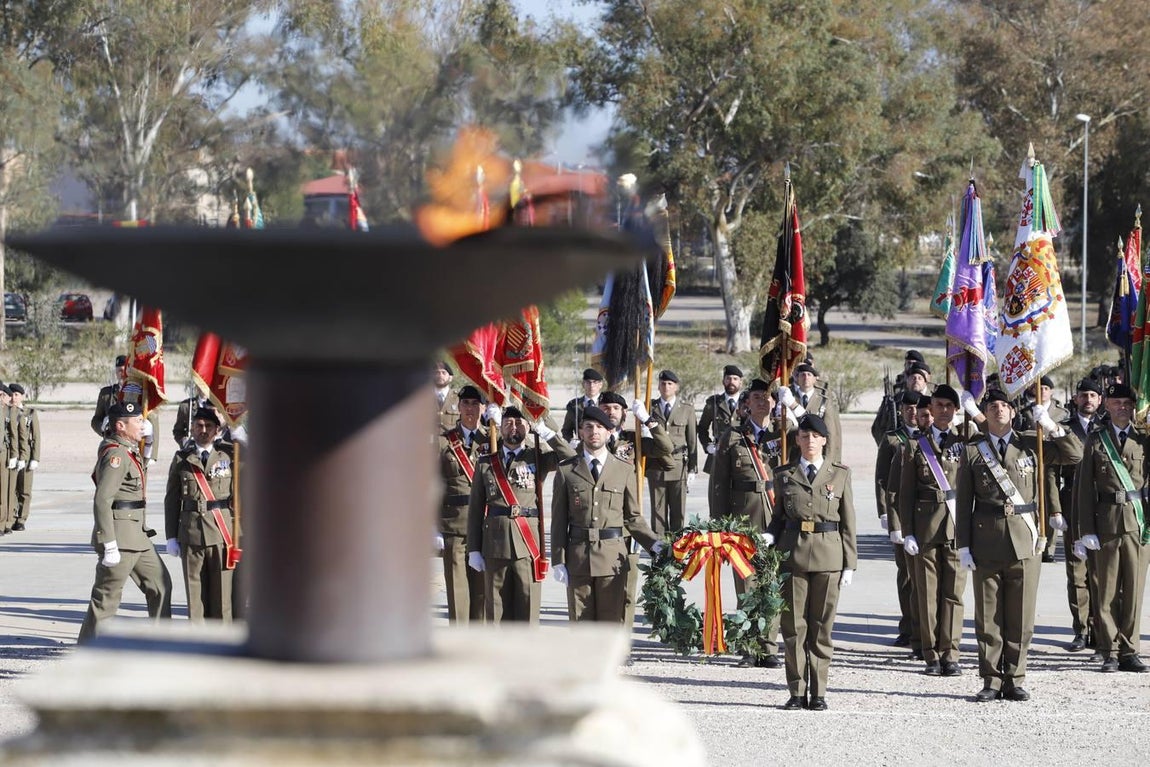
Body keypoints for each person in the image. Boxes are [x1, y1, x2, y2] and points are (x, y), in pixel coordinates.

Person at [955, 389, 1082, 701]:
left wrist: (1052, 426)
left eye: (1004, 406)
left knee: (1021, 616)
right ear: (985, 413)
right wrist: (963, 545)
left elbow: (1076, 454)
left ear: (1012, 412)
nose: (999, 410)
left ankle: (1015, 677)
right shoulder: (973, 451)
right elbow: (964, 502)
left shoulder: (1032, 442)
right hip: (985, 539)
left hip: (1025, 541)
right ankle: (991, 679)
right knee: (988, 618)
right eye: (992, 406)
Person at [765, 414, 856, 711]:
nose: (810, 441)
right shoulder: (784, 474)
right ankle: (796, 691)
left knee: (821, 628)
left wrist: (850, 563)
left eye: (815, 436)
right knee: (793, 628)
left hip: (829, 557)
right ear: (797, 441)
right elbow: (778, 518)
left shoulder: (839, 474)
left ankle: (819, 692)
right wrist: (768, 538)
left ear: (825, 440)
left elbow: (848, 522)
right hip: (793, 556)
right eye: (804, 436)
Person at [551, 405, 662, 622]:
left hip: (613, 560)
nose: (594, 431)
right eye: (589, 426)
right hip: (578, 559)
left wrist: (655, 544)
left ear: (609, 432)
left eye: (600, 427)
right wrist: (558, 559)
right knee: (581, 624)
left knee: (611, 623)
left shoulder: (624, 469)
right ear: (581, 432)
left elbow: (633, 517)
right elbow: (559, 520)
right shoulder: (566, 471)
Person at [466, 406, 575, 623]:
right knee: (496, 608)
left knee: (528, 603)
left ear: (527, 426)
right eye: (508, 423)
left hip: (527, 544)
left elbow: (570, 457)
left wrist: (545, 431)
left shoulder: (538, 456)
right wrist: (474, 549)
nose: (513, 427)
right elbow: (476, 509)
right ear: (500, 427)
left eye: (519, 423)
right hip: (494, 544)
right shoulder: (486, 463)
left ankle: (526, 655)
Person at [78, 401, 173, 641]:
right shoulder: (116, 454)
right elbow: (103, 499)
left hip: (138, 536)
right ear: (120, 425)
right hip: (120, 538)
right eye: (138, 421)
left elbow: (142, 470)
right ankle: (89, 654)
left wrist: (149, 442)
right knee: (106, 599)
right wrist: (108, 543)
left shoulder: (129, 448)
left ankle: (162, 644)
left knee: (160, 586)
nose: (143, 424)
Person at [1073, 383, 1150, 673]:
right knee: (1104, 590)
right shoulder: (1096, 440)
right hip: (1105, 522)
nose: (1122, 407)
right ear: (1107, 405)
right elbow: (1083, 490)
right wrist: (1086, 530)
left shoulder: (1144, 440)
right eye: (1117, 402)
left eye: (1127, 403)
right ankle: (1110, 650)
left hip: (1137, 522)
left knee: (1133, 589)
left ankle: (1130, 649)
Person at [711, 378, 786, 667]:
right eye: (756, 397)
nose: (763, 402)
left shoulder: (785, 432)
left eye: (768, 397)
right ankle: (749, 646)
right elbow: (719, 485)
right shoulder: (732, 438)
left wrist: (791, 404)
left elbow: (816, 435)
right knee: (747, 585)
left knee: (772, 583)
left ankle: (768, 647)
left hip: (776, 514)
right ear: (747, 404)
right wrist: (720, 527)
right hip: (743, 518)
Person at [898, 385, 967, 676]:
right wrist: (907, 532)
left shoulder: (966, 441)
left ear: (955, 410)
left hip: (956, 526)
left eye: (949, 406)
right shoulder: (916, 444)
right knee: (927, 593)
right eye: (938, 405)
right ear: (931, 409)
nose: (943, 410)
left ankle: (950, 652)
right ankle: (930, 654)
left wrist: (974, 410)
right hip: (925, 527)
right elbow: (905, 493)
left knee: (953, 593)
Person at [596, 390, 674, 628]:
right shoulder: (592, 441)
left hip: (628, 526)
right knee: (597, 593)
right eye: (606, 407)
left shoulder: (633, 441)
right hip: (600, 525)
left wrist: (649, 421)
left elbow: (666, 450)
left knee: (627, 593)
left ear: (624, 414)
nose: (610, 412)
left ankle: (622, 644)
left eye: (616, 408)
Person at [163, 407, 237, 622]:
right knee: (194, 596)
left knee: (222, 598)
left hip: (222, 533)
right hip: (191, 532)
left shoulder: (230, 454)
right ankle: (198, 644)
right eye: (198, 426)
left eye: (208, 426)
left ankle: (223, 644)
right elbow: (172, 499)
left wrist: (239, 433)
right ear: (192, 429)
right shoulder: (181, 458)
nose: (203, 430)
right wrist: (171, 536)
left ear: (217, 430)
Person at [876, 391, 923, 651]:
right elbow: (882, 479)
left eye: (916, 408)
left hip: (927, 514)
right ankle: (907, 627)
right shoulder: (892, 439)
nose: (912, 412)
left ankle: (925, 627)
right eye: (907, 408)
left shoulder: (930, 437)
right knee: (906, 575)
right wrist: (886, 514)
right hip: (901, 516)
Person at [1059, 378, 1103, 652]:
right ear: (1076, 399)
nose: (1088, 399)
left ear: (1100, 401)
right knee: (1077, 574)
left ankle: (1101, 629)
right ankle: (1081, 630)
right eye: (1083, 394)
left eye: (1093, 395)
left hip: (1102, 507)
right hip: (1072, 506)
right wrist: (1053, 508)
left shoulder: (1108, 429)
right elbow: (1051, 474)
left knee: (1102, 574)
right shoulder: (1064, 429)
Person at [436, 385, 487, 623]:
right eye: (466, 403)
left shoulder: (493, 439)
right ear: (458, 407)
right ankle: (459, 644)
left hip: (486, 528)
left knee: (483, 593)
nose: (470, 409)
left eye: (475, 404)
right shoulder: (445, 442)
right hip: (455, 526)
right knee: (458, 592)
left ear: (483, 408)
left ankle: (480, 647)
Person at [648, 369, 697, 536]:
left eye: (670, 384)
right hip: (657, 464)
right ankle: (660, 548)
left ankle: (677, 547)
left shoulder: (687, 409)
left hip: (678, 464)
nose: (666, 387)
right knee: (658, 509)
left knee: (678, 510)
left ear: (676, 387)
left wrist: (692, 467)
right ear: (658, 386)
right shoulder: (650, 407)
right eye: (663, 383)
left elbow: (691, 440)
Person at [778, 362, 842, 463]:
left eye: (809, 374)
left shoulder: (824, 401)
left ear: (815, 379)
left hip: (816, 454)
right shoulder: (787, 397)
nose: (806, 377)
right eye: (802, 375)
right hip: (794, 455)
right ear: (796, 378)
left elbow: (831, 432)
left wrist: (831, 460)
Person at [698, 365, 744, 475]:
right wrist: (708, 445)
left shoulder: (747, 402)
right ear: (723, 381)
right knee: (717, 491)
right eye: (728, 378)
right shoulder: (713, 403)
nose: (731, 382)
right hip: (718, 455)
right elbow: (702, 428)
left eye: (735, 379)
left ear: (740, 382)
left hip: (742, 455)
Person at [10, 384, 39, 532]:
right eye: (12, 394)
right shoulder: (7, 411)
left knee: (24, 489)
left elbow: (36, 437)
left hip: (26, 455)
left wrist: (36, 458)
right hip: (12, 455)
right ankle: (12, 517)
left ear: (22, 396)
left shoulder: (29, 413)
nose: (14, 397)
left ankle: (21, 518)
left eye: (16, 394)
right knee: (12, 489)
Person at [561, 368, 605, 443]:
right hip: (581, 446)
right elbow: (566, 430)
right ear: (583, 384)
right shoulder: (574, 406)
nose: (591, 386)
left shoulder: (606, 403)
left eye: (595, 382)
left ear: (600, 385)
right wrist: (571, 442)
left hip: (603, 444)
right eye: (588, 382)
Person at [91, 355, 129, 436]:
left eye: (125, 370)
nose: (123, 374)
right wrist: (102, 427)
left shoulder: (137, 391)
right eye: (120, 371)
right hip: (112, 438)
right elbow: (96, 419)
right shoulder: (106, 394)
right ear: (116, 372)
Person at [433, 361, 459, 432]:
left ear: (450, 378)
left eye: (443, 373)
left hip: (452, 442)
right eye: (437, 373)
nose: (440, 375)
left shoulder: (459, 398)